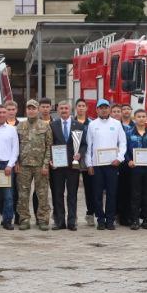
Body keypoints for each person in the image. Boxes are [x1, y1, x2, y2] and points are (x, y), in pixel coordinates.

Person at [86, 99, 127, 231]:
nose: (104, 110)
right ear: (97, 110)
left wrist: (119, 158)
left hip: (112, 164)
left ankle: (110, 220)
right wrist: (89, 164)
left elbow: (123, 143)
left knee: (112, 193)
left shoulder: (116, 124)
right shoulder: (92, 125)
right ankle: (100, 219)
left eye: (106, 107)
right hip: (97, 165)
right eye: (101, 108)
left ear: (109, 109)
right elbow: (89, 147)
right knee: (97, 194)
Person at [49, 99, 87, 231]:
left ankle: (72, 222)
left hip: (73, 166)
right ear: (58, 110)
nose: (64, 111)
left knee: (72, 194)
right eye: (61, 108)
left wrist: (80, 154)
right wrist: (51, 160)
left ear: (70, 110)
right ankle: (60, 222)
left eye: (66, 108)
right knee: (58, 194)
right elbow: (49, 145)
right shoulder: (53, 125)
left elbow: (83, 145)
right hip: (57, 167)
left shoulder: (79, 125)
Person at [15, 99, 53, 231]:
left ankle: (42, 219)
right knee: (23, 194)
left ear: (38, 110)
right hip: (24, 166)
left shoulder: (45, 126)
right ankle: (24, 219)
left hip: (39, 166)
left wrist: (45, 165)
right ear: (26, 110)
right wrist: (16, 162)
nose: (31, 111)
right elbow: (15, 146)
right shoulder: (20, 126)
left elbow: (49, 146)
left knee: (42, 194)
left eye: (34, 108)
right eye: (29, 108)